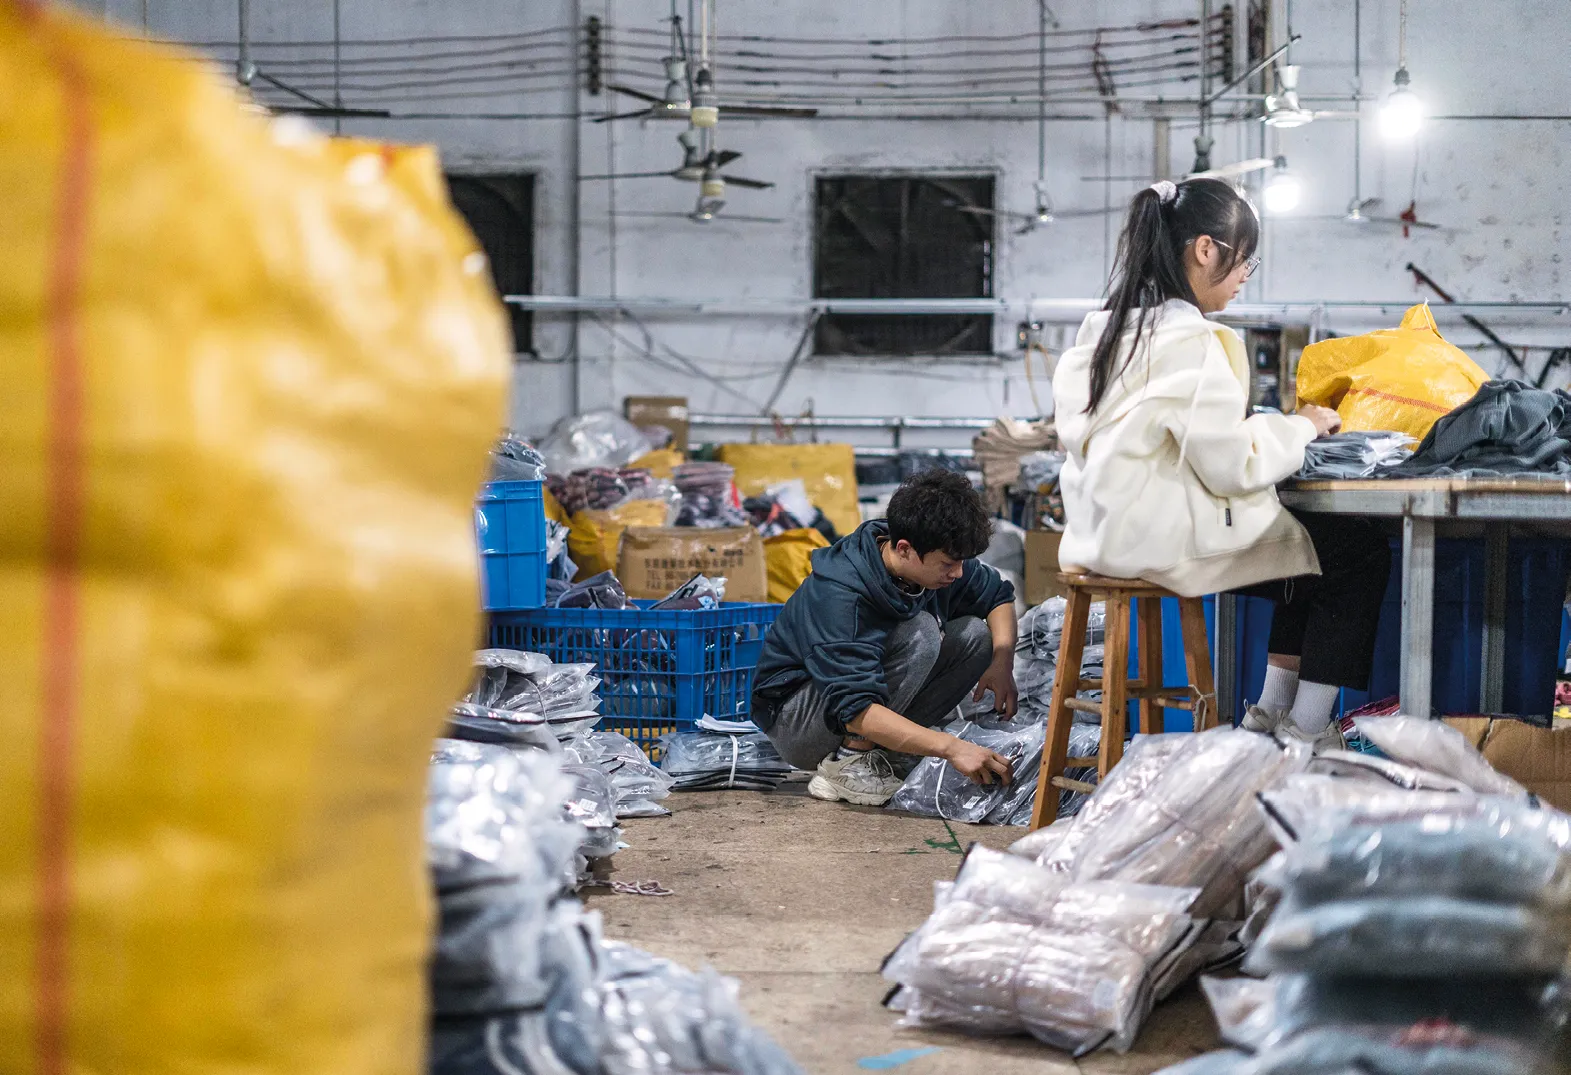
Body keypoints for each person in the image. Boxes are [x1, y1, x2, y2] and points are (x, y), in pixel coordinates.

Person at [1051, 177, 1390, 752]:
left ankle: (1269, 715)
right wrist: (1303, 425)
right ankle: (1308, 730)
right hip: (1161, 541)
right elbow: (1234, 465)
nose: (1241, 280)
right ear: (1206, 249)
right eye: (1244, 263)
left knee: (1306, 551)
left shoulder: (1104, 336)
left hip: (1100, 534)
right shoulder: (1191, 341)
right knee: (1356, 551)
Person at [750, 469, 1020, 806]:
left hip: (852, 705)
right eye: (949, 563)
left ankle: (888, 753)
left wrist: (1002, 661)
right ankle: (848, 765)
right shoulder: (841, 596)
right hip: (799, 723)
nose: (958, 573)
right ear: (905, 549)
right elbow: (856, 708)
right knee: (920, 631)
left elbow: (998, 597)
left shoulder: (931, 559)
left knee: (976, 635)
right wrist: (953, 749)